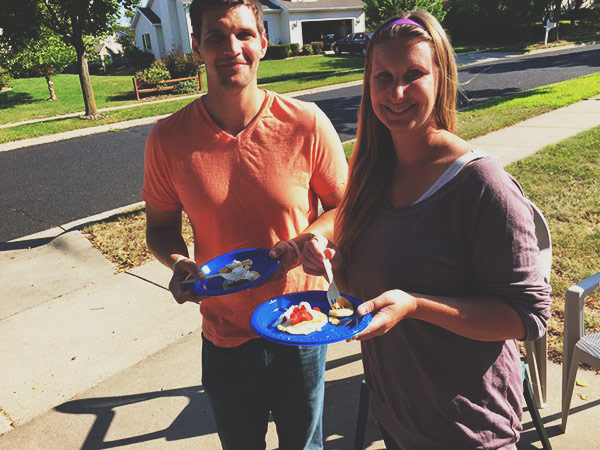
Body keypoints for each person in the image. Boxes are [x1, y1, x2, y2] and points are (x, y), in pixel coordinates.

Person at [301, 10, 552, 450]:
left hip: (470, 430)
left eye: (413, 74)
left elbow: (528, 317)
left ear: (441, 79)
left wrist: (416, 305)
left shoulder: (481, 184)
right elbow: (380, 269)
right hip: (397, 419)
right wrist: (330, 258)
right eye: (382, 76)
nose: (396, 92)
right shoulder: (374, 173)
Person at [141, 0, 348, 448]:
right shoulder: (168, 138)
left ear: (263, 42)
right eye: (215, 36)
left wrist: (315, 234)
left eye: (243, 34)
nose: (231, 48)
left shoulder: (306, 123)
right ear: (197, 47)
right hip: (224, 333)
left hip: (301, 322)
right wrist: (178, 262)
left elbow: (345, 206)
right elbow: (158, 227)